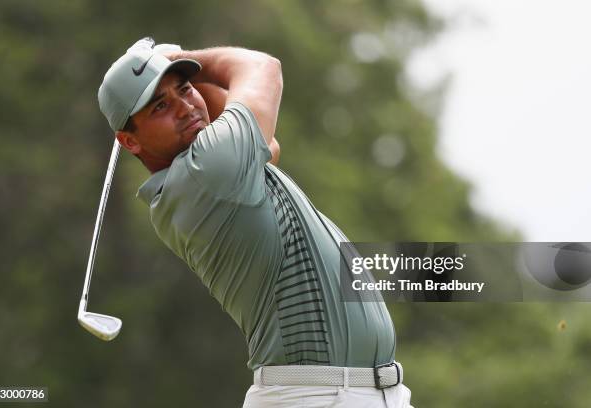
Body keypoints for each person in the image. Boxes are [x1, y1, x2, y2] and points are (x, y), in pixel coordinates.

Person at [98, 37, 413, 408]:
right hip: (316, 396)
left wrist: (168, 78)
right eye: (161, 106)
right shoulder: (208, 172)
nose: (185, 108)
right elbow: (263, 68)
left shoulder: (211, 171)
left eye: (186, 89)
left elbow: (265, 140)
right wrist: (182, 58)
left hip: (347, 394)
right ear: (129, 141)